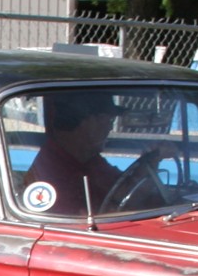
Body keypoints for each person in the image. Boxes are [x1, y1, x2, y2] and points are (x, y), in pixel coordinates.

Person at [22, 89, 160, 216]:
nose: (110, 128)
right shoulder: (53, 171)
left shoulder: (88, 158)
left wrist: (151, 160)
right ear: (86, 122)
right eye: (108, 120)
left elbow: (121, 192)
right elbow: (84, 222)